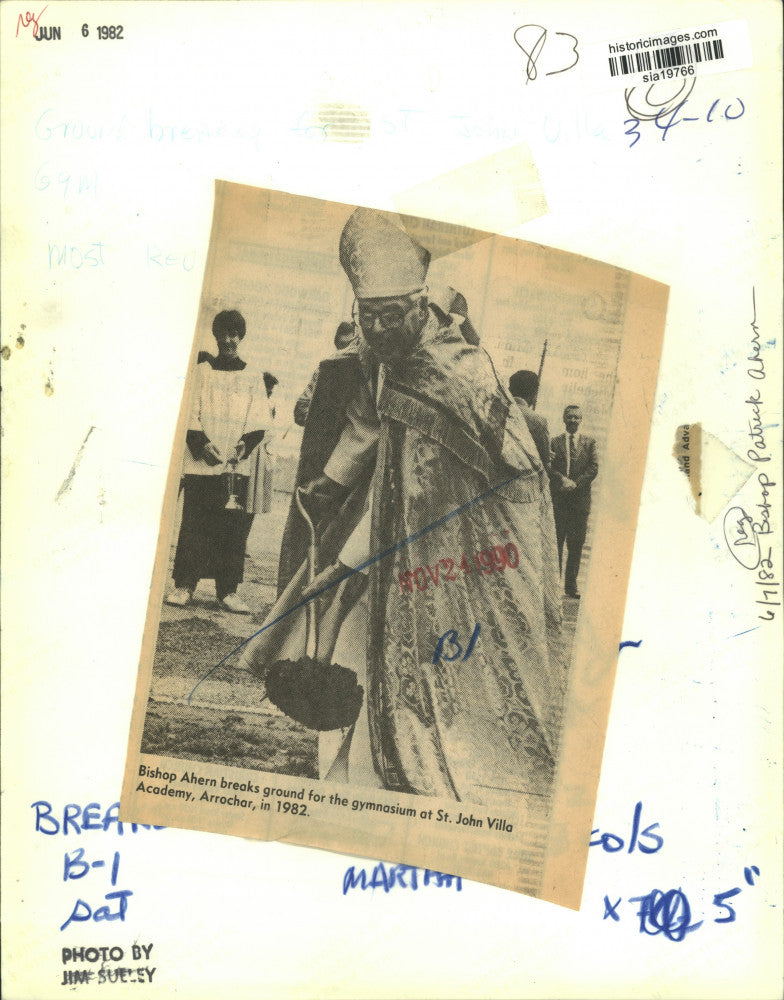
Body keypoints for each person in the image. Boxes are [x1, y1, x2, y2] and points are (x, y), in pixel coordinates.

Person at [239, 208, 564, 805]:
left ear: (421, 305)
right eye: (370, 318)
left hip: (457, 545)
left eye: (394, 317)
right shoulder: (377, 357)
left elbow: (514, 467)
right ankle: (352, 771)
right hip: (386, 514)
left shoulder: (462, 369)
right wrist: (332, 481)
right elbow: (366, 425)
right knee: (351, 626)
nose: (382, 330)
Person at [167, 309, 272, 613]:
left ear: (241, 337)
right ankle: (185, 585)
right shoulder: (201, 372)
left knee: (232, 528)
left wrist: (242, 447)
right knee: (195, 524)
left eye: (234, 334)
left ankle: (228, 591)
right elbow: (189, 412)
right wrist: (203, 446)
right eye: (223, 334)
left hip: (235, 466)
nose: (229, 340)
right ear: (215, 336)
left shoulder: (253, 376)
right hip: (203, 464)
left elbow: (258, 419)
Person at [550, 405, 598, 600]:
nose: (573, 420)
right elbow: (549, 466)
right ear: (563, 418)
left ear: (581, 420)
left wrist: (575, 484)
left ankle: (571, 587)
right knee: (557, 543)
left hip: (579, 503)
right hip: (560, 502)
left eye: (577, 417)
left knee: (576, 545)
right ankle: (554, 585)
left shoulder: (589, 443)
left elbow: (593, 468)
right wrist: (562, 479)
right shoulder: (554, 442)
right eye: (569, 417)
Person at [294, 322, 356, 428]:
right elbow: (301, 410)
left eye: (351, 346)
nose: (347, 351)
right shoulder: (326, 370)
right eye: (343, 347)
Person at [509, 370, 550, 473]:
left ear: (509, 390)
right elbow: (544, 461)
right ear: (534, 393)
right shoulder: (538, 421)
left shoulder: (495, 411)